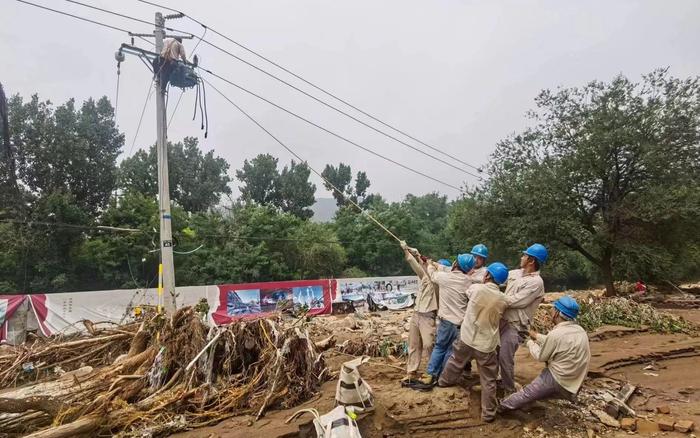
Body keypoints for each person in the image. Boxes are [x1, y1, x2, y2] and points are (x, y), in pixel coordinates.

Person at [436, 262, 509, 422]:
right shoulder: (504, 299)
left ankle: (443, 382)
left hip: (467, 337)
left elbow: (467, 290)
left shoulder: (476, 289)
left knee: (456, 361)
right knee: (488, 379)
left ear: (488, 275)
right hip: (486, 344)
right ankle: (488, 414)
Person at [499, 296, 591, 411]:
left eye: (553, 308)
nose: (550, 311)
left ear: (557, 313)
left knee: (527, 393)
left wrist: (529, 343)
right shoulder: (580, 331)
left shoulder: (556, 334)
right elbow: (556, 341)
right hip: (574, 379)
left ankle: (502, 406)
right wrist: (535, 335)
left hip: (557, 378)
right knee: (534, 394)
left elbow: (541, 356)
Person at [411, 253, 478, 390]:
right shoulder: (468, 281)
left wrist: (429, 264)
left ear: (455, 263)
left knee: (440, 348)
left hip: (446, 322)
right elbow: (447, 270)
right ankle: (443, 376)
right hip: (460, 325)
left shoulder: (444, 278)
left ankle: (430, 375)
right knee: (449, 350)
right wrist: (434, 262)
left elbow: (432, 273)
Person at [499, 243, 548, 394]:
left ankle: (509, 390)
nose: (521, 257)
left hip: (516, 325)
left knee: (505, 357)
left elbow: (516, 301)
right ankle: (498, 380)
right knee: (494, 352)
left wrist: (493, 298)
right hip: (503, 320)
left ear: (531, 261)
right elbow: (496, 278)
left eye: (524, 255)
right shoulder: (515, 273)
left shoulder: (536, 282)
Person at [399, 242, 441, 386]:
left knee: (429, 345)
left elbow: (426, 265)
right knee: (413, 344)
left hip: (428, 316)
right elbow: (415, 264)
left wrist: (418, 255)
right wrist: (408, 251)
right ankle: (411, 371)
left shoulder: (438, 283)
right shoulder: (424, 278)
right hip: (417, 314)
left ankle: (431, 371)